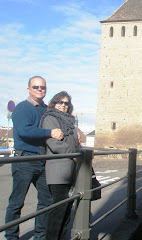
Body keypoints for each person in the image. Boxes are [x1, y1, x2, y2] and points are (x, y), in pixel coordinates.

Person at [5, 76, 63, 240]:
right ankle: (11, 236)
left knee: (46, 200)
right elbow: (25, 131)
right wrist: (49, 133)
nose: (40, 89)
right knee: (17, 201)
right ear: (29, 89)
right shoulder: (23, 108)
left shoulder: (46, 110)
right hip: (25, 161)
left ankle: (41, 235)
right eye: (36, 87)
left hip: (42, 160)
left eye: (43, 87)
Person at [40, 91, 80, 240]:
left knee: (66, 207)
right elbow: (54, 144)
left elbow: (74, 142)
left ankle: (62, 238)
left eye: (66, 103)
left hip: (69, 168)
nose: (63, 105)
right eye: (60, 102)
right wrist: (74, 155)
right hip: (57, 169)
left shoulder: (69, 121)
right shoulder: (49, 118)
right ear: (54, 103)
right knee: (59, 208)